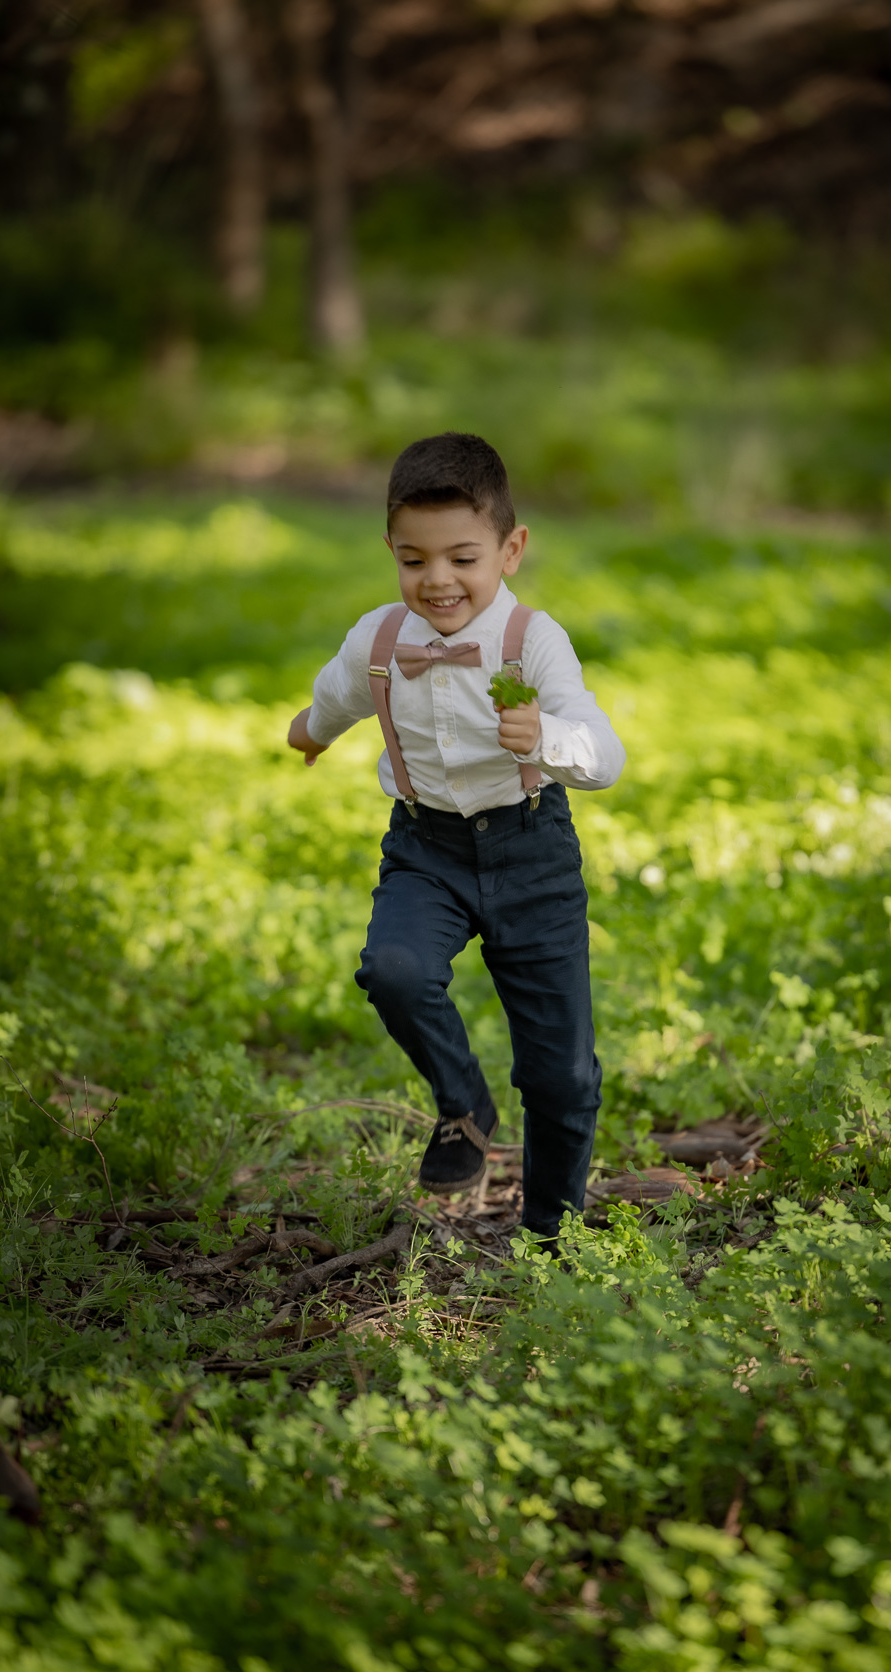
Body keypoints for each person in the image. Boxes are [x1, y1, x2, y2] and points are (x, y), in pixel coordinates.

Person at [287, 432, 625, 1243]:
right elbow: (338, 697)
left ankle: (551, 1233)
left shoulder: (532, 642)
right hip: (427, 849)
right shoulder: (378, 640)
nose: (437, 580)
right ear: (392, 552)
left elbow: (604, 754)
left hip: (531, 848)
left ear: (511, 550)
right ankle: (463, 1102)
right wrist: (309, 733)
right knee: (394, 969)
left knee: (561, 1071)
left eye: (463, 558)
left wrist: (544, 737)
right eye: (414, 560)